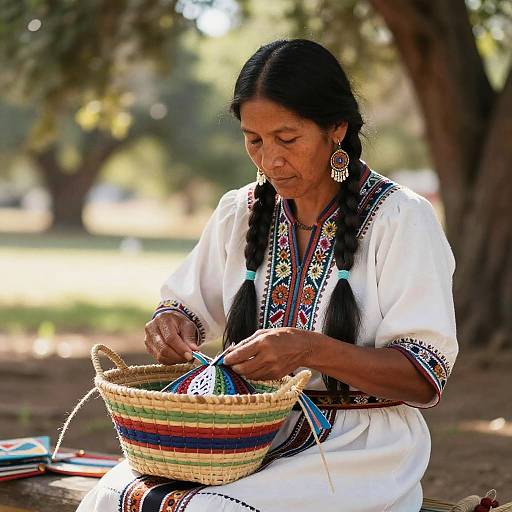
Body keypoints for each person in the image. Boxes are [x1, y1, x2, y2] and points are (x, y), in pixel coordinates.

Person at [76, 39, 458, 512]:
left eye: (288, 139)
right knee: (111, 497)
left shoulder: (401, 219)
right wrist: (173, 325)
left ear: (336, 128)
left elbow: (425, 376)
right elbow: (188, 305)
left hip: (358, 450)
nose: (269, 160)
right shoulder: (242, 211)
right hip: (240, 437)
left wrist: (310, 349)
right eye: (253, 140)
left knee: (211, 510)